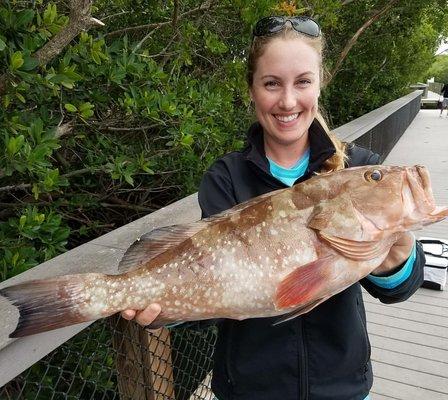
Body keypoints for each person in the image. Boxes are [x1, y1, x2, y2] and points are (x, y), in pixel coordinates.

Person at [122, 16, 424, 400]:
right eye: (271, 84)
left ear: (319, 84)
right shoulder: (226, 177)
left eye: (303, 82)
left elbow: (399, 291)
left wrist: (397, 258)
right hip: (249, 389)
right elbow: (214, 295)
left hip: (342, 387)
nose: (287, 101)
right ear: (252, 90)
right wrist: (168, 309)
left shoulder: (358, 167)